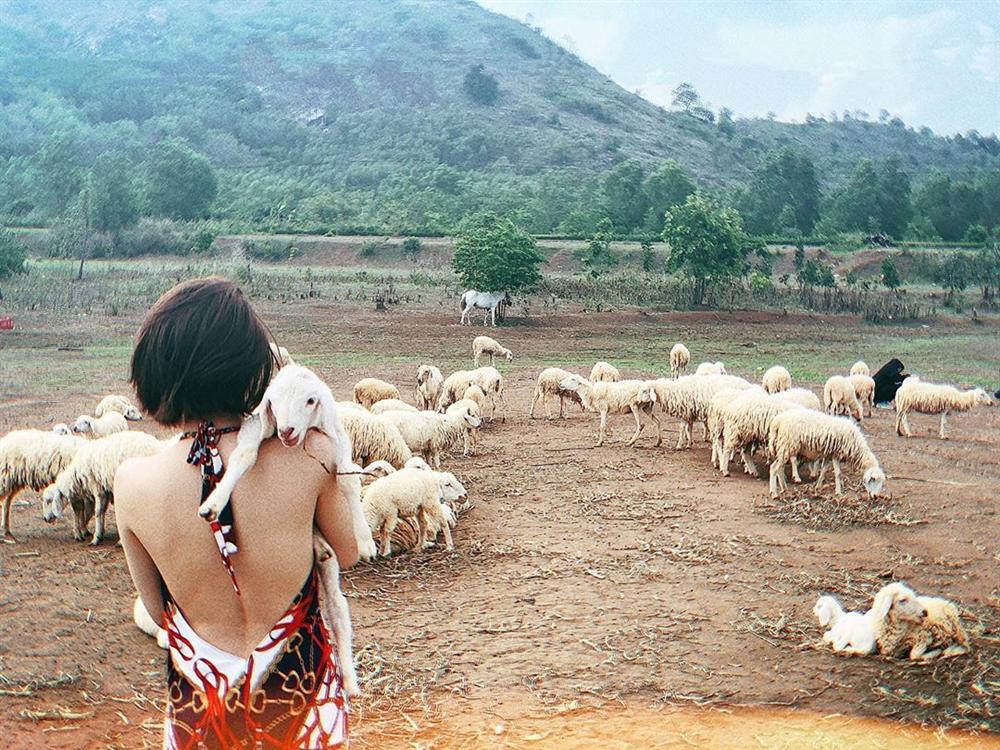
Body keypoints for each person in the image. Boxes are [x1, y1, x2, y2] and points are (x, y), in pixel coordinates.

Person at [114, 278, 357, 748]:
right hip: (304, 707)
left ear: (154, 369)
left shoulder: (134, 483)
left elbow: (156, 610)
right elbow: (347, 550)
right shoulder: (312, 455)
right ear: (251, 367)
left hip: (199, 718)